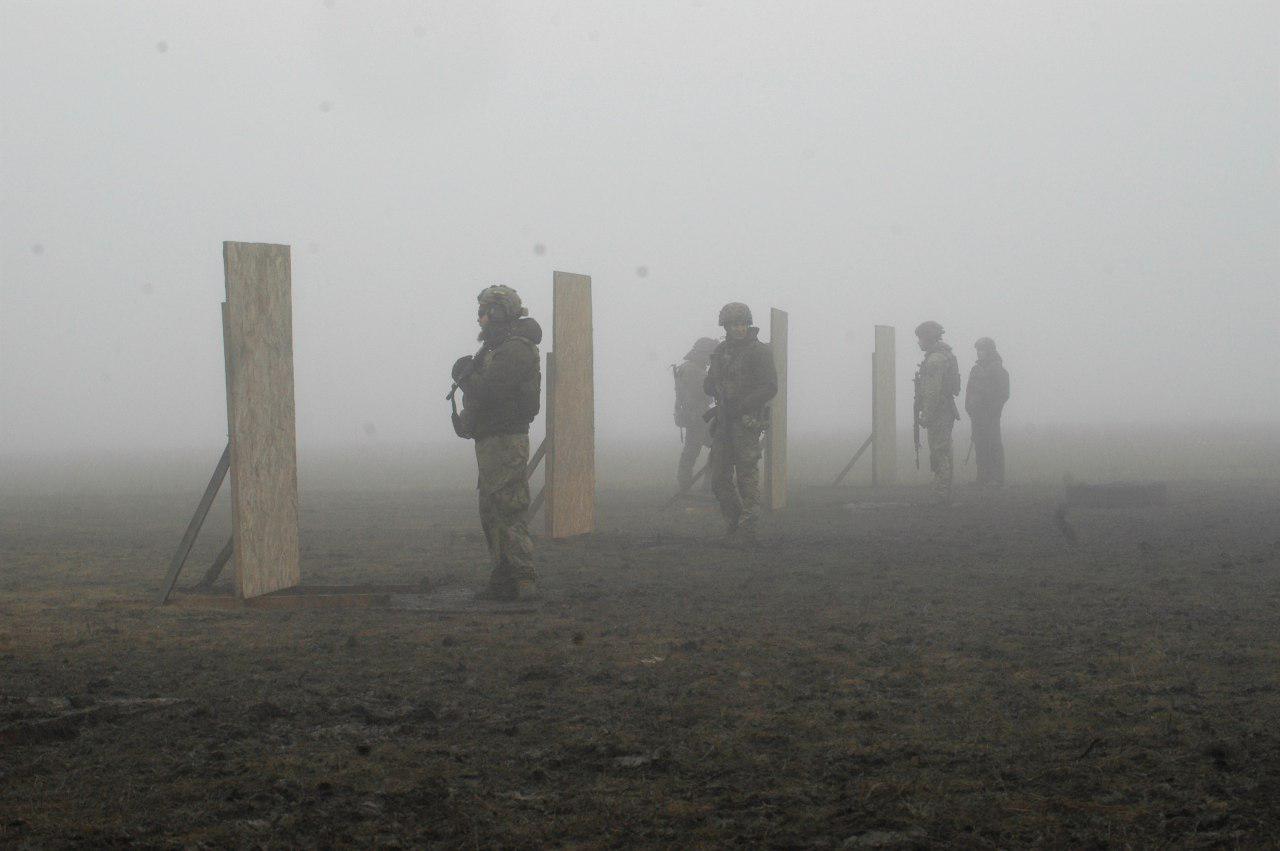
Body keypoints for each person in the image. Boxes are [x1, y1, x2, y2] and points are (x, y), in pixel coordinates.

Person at [451, 285, 542, 600]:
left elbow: (491, 391)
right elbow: (483, 397)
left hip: (506, 440)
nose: (480, 319)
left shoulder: (515, 349)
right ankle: (503, 578)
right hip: (491, 439)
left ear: (501, 312)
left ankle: (523, 578)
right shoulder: (495, 348)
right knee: (490, 510)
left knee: (509, 508)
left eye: (485, 311)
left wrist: (466, 376)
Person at [705, 303, 777, 545]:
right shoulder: (720, 351)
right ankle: (735, 520)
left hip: (746, 422)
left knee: (747, 477)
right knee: (717, 478)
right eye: (734, 324)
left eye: (743, 323)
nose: (739, 328)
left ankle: (748, 528)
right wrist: (712, 385)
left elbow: (770, 386)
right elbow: (710, 382)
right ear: (725, 326)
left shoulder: (759, 352)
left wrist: (743, 405)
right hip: (724, 421)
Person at [913, 320, 961, 504]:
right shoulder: (944, 356)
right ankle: (944, 490)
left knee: (939, 451)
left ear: (928, 338)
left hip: (939, 410)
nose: (919, 342)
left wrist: (927, 414)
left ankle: (941, 493)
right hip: (944, 409)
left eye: (921, 338)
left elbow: (932, 391)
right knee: (944, 449)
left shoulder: (935, 360)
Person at [673, 337, 718, 494]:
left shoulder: (688, 368)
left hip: (695, 416)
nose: (710, 360)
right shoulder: (693, 371)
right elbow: (707, 393)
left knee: (692, 451)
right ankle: (705, 485)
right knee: (718, 448)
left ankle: (686, 484)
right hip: (698, 417)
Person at [964, 337, 1010, 487]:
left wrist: (993, 410)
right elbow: (969, 391)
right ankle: (982, 477)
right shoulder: (975, 370)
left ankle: (997, 478)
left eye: (981, 349)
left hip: (991, 415)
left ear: (990, 350)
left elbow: (1003, 394)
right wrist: (970, 409)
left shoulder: (999, 370)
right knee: (980, 444)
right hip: (977, 415)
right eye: (977, 350)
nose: (978, 353)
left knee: (993, 444)